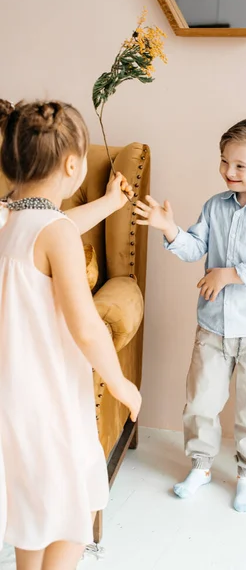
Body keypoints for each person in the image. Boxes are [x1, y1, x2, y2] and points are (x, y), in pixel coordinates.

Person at [0, 99, 142, 569]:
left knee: (33, 517)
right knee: (70, 516)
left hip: (14, 402)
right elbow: (85, 325)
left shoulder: (9, 224)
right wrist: (120, 385)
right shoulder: (53, 232)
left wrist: (107, 204)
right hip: (51, 401)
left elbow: (53, 229)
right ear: (73, 164)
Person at [136, 117, 246, 513]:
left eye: (240, 165)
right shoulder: (215, 206)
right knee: (200, 402)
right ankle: (201, 466)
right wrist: (169, 228)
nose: (228, 171)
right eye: (224, 161)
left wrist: (229, 274)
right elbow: (193, 248)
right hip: (214, 326)